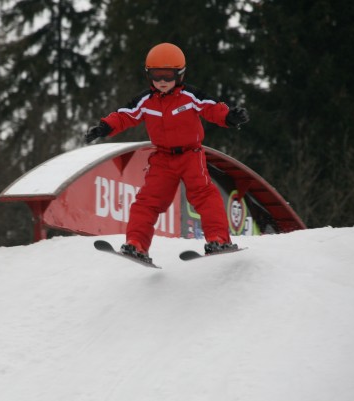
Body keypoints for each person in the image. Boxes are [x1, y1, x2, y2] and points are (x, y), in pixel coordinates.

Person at [85, 43, 249, 262]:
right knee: (147, 201)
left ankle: (218, 239)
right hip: (162, 158)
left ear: (180, 75)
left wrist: (229, 117)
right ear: (148, 75)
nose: (162, 81)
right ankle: (136, 244)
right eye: (156, 75)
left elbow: (211, 108)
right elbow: (125, 115)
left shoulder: (190, 96)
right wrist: (104, 127)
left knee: (203, 194)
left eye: (168, 75)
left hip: (191, 155)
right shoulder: (146, 100)